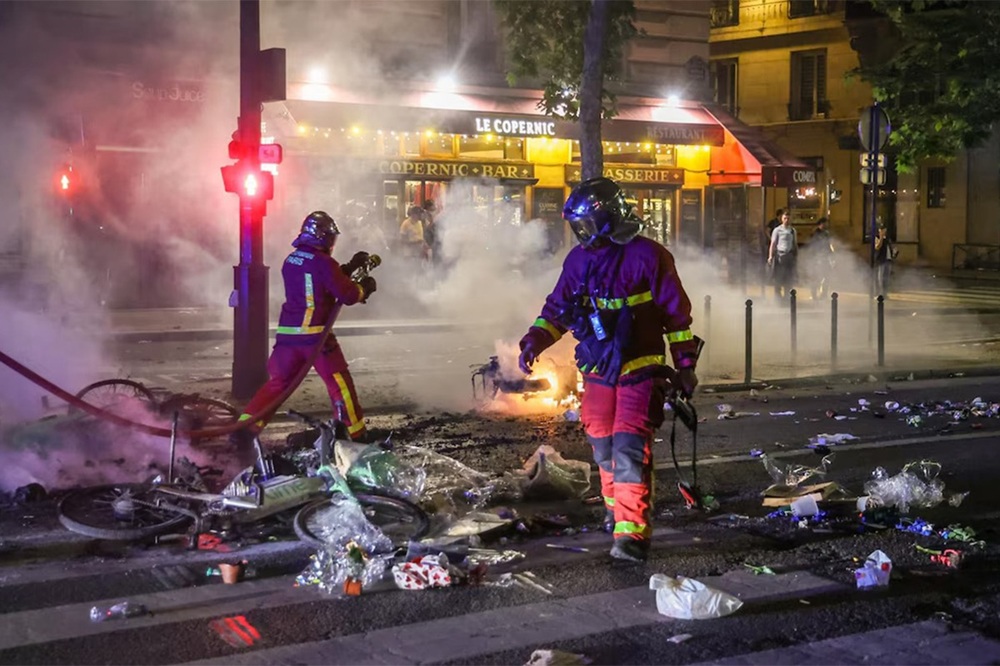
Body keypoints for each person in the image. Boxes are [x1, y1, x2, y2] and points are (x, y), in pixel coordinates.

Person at [517, 177, 702, 563]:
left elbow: (677, 317)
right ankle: (616, 512)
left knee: (629, 449)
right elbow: (557, 309)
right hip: (599, 369)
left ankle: (632, 534)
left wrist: (685, 366)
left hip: (641, 368)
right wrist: (534, 341)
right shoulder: (579, 260)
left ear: (607, 216)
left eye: (584, 224)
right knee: (603, 447)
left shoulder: (650, 256)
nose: (580, 233)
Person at [235, 211, 377, 443]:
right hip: (316, 339)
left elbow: (320, 281)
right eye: (330, 238)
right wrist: (364, 289)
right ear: (321, 237)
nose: (332, 243)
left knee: (277, 385)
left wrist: (349, 268)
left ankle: (245, 430)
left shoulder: (292, 260)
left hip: (289, 337)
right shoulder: (324, 263)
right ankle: (356, 434)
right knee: (339, 384)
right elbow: (347, 294)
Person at [767, 209, 797, 301]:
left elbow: (795, 243)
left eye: (788, 218)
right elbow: (773, 243)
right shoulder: (777, 230)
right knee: (778, 277)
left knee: (788, 277)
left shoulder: (792, 230)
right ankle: (778, 297)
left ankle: (787, 296)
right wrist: (770, 256)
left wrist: (796, 256)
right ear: (782, 219)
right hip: (780, 255)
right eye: (785, 218)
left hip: (789, 255)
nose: (787, 220)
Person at [807, 217, 835, 300]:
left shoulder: (827, 233)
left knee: (826, 277)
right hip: (817, 258)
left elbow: (829, 244)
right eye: (824, 223)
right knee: (817, 277)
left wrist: (832, 255)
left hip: (825, 258)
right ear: (820, 224)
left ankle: (824, 294)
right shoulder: (815, 233)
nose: (826, 225)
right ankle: (814, 294)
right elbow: (812, 246)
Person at [874, 223, 896, 298]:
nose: (883, 231)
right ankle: (879, 294)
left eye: (884, 230)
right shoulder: (877, 238)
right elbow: (877, 246)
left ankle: (885, 293)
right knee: (880, 278)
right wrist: (881, 237)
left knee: (886, 278)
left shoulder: (887, 239)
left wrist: (893, 252)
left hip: (888, 260)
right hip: (881, 260)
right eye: (882, 230)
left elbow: (891, 247)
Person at [421, 199, 441, 264]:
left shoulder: (435, 217)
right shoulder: (424, 217)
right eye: (433, 206)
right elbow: (426, 229)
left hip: (436, 243)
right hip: (429, 243)